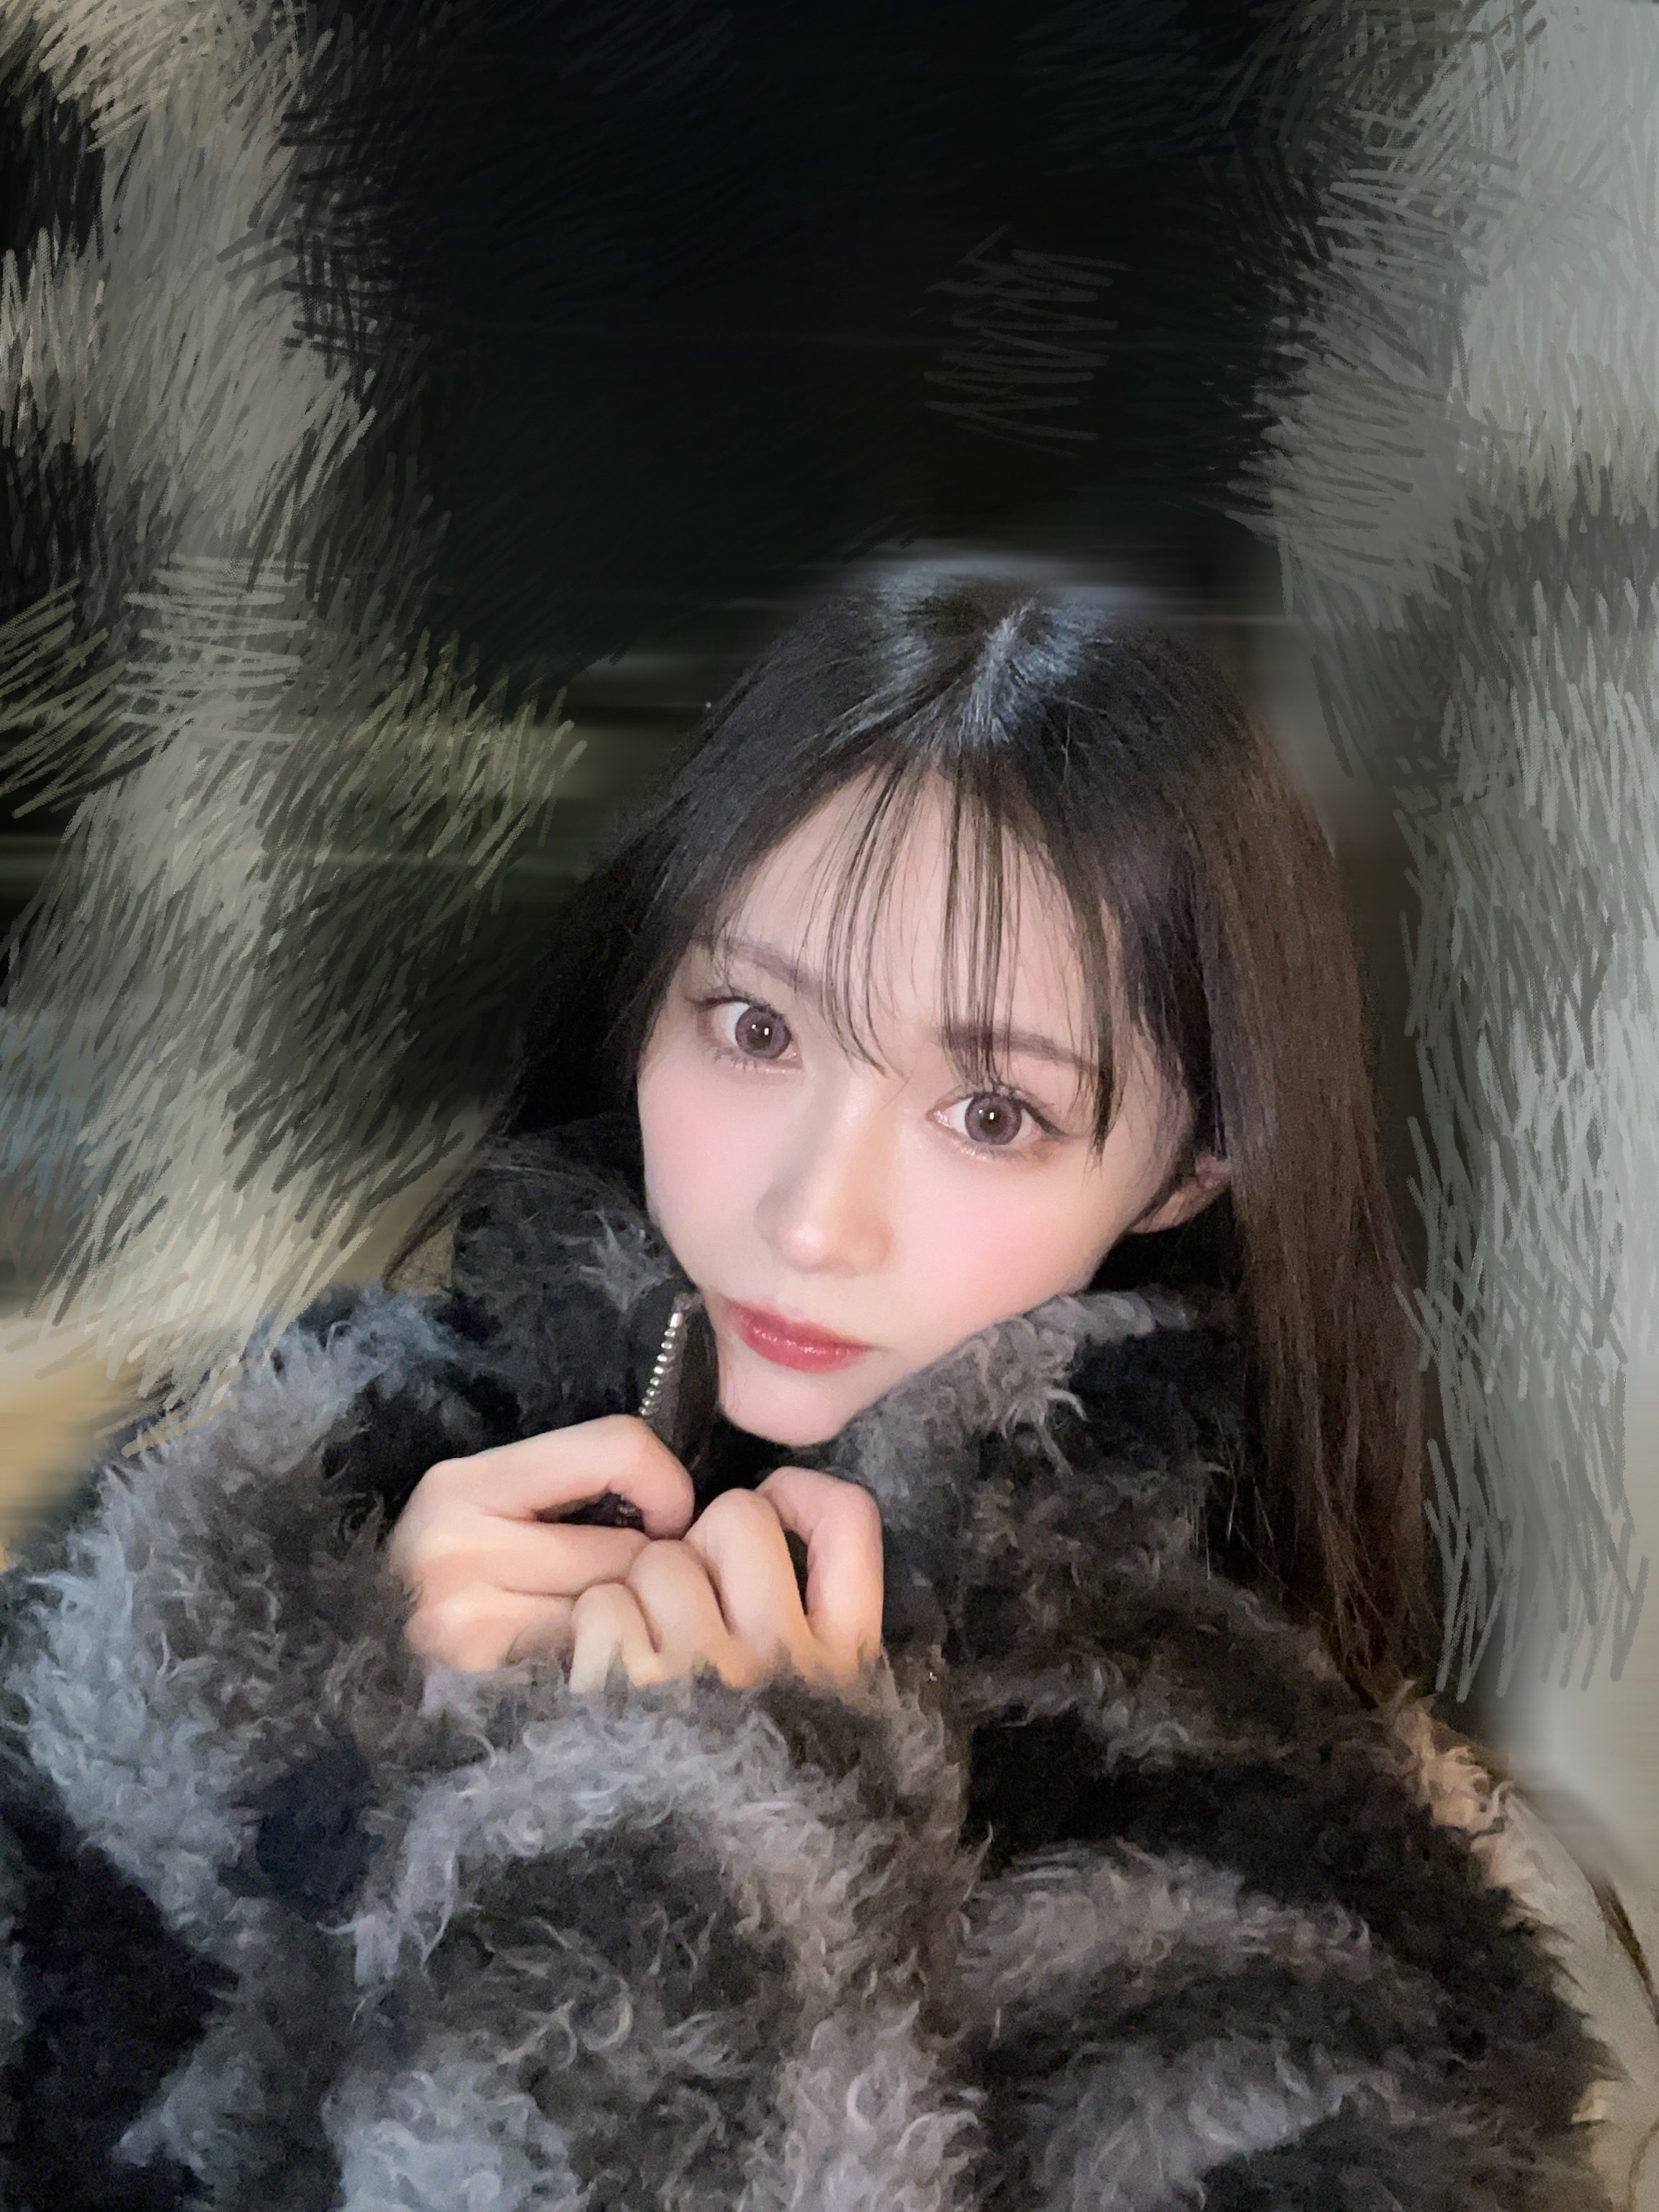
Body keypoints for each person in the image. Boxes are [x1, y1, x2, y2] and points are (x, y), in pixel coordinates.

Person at [0, 570, 1620, 2210]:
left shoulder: (1281, 1884)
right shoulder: (286, 1485)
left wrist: (702, 1845)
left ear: (1186, 1170)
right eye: (757, 1026)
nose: (810, 1217)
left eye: (992, 1113)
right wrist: (310, 1730)